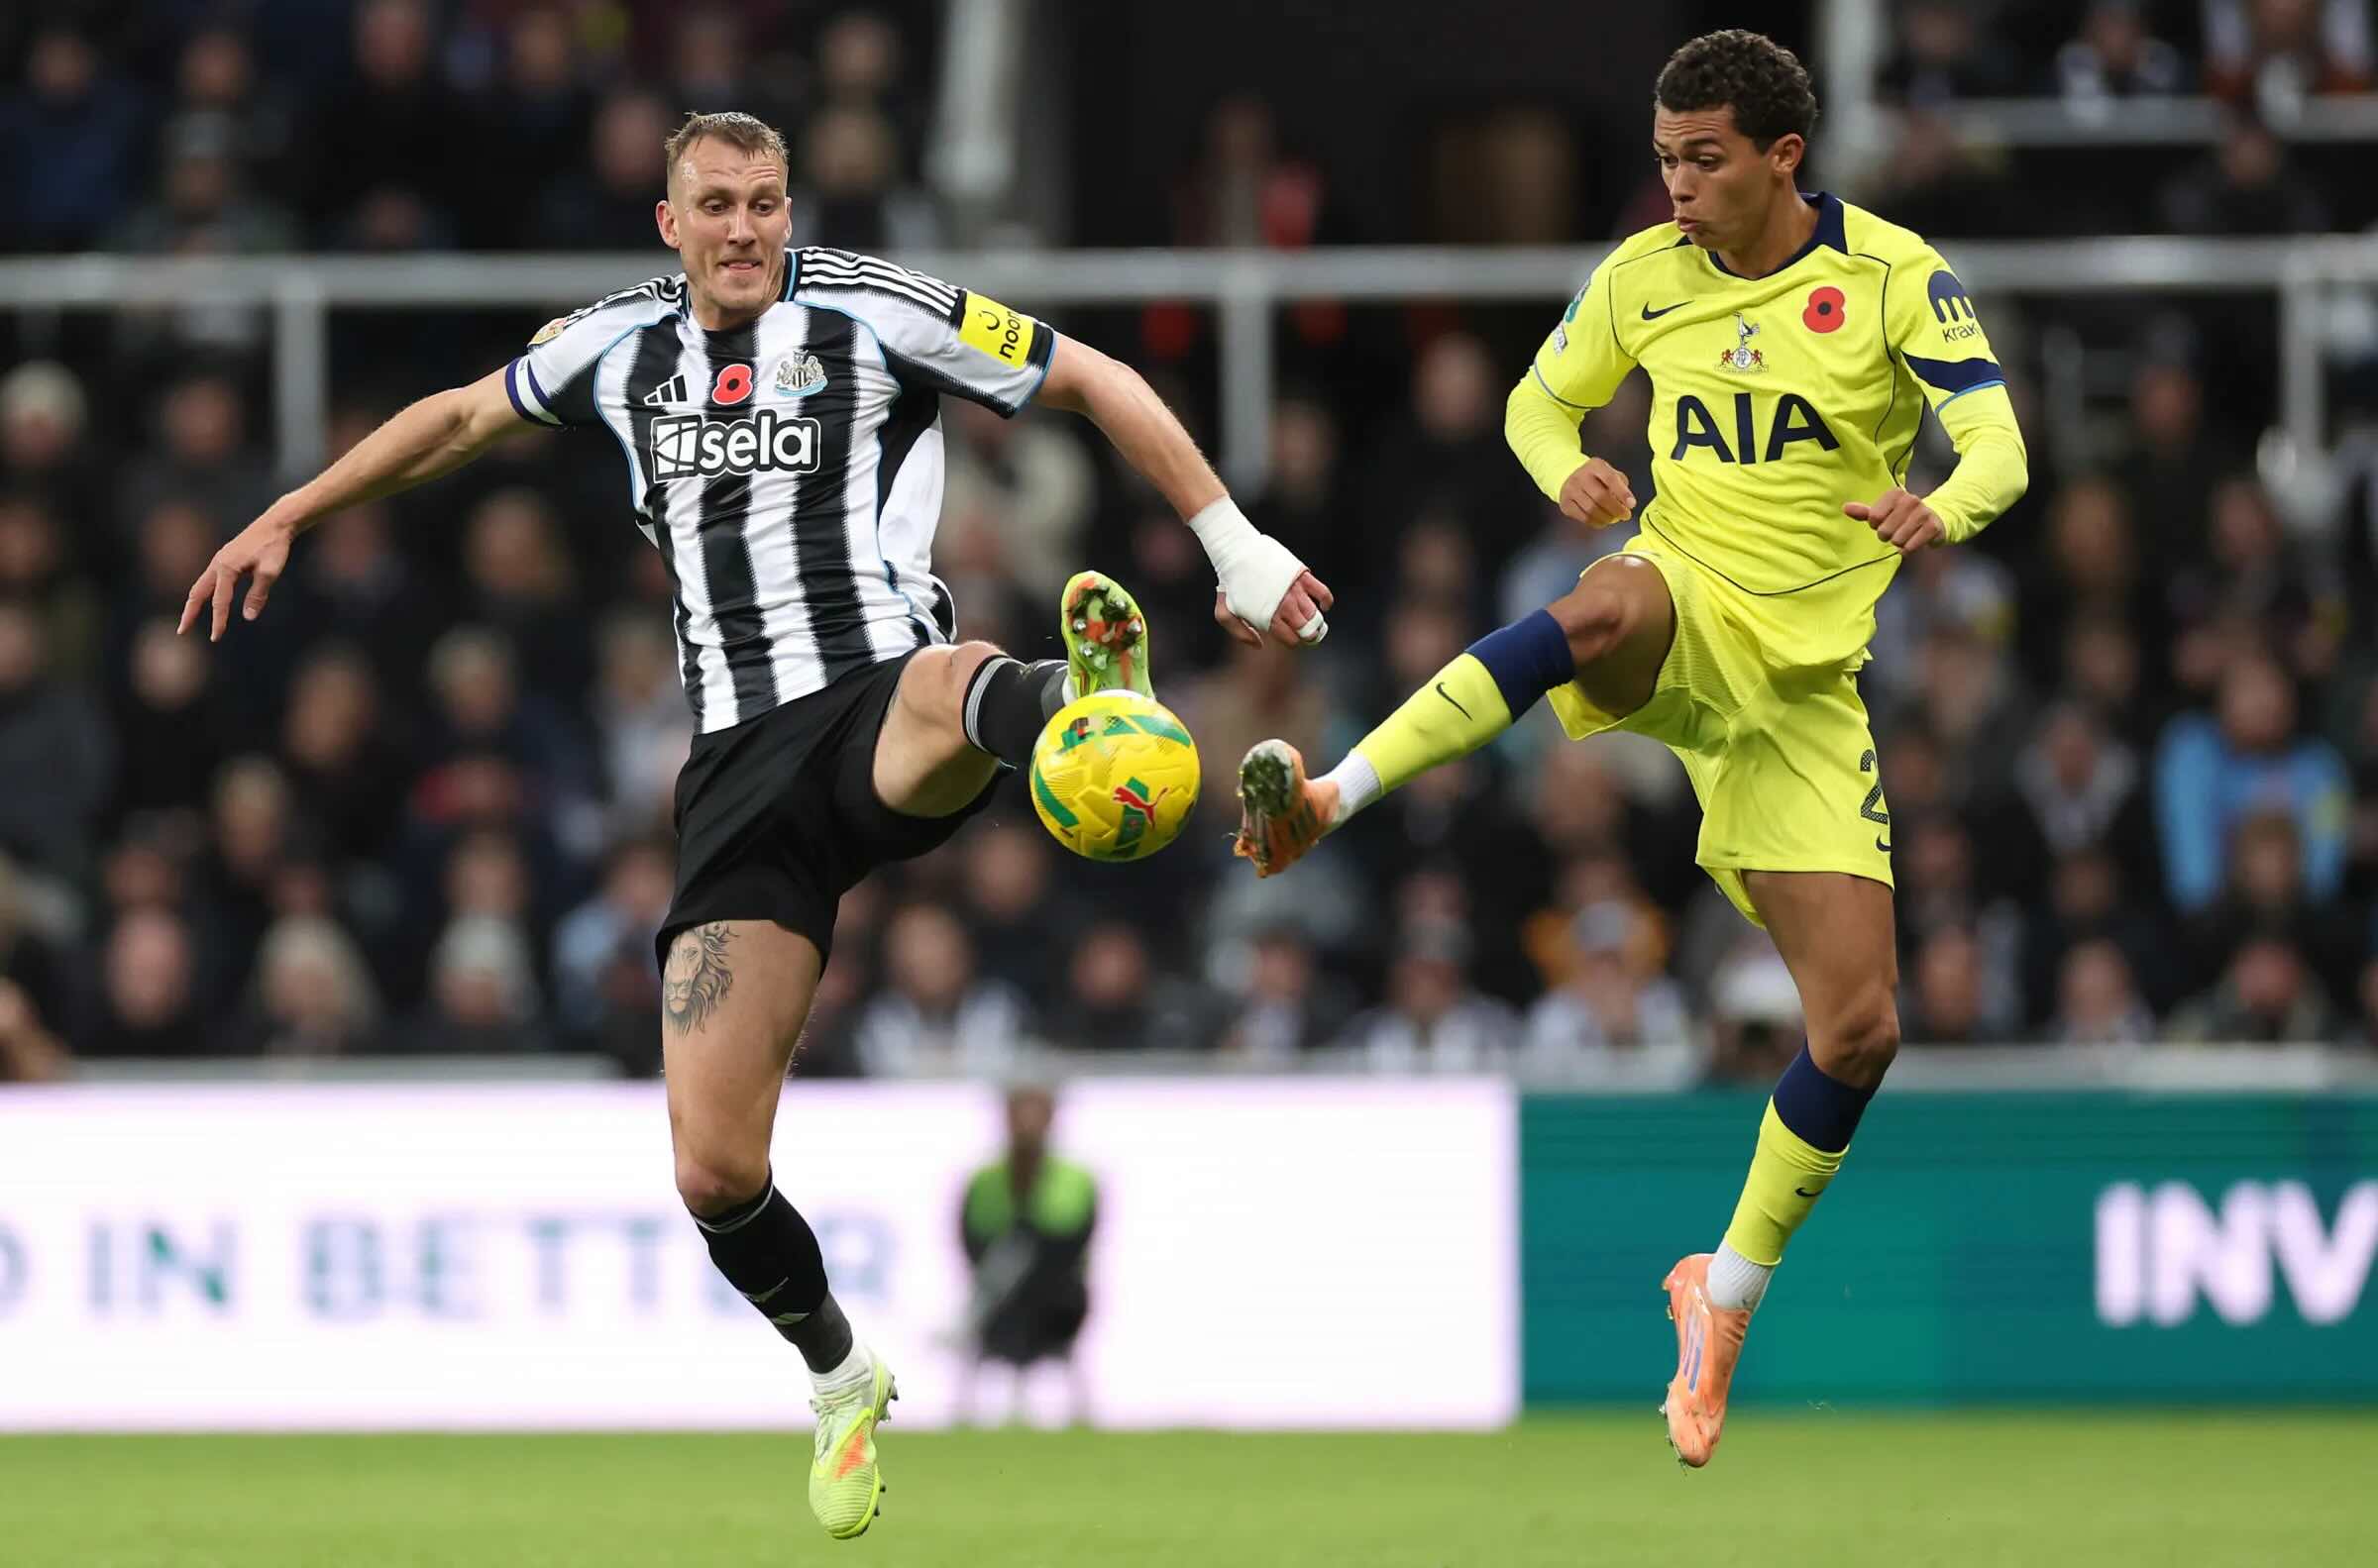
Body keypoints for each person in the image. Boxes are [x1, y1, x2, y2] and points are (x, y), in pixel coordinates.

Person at [178, 109, 1332, 1539]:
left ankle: (1071, 701)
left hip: (872, 694)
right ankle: (843, 1372)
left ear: (793, 209)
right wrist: (293, 505)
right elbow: (465, 415)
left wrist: (1237, 541)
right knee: (713, 1165)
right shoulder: (615, 345)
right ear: (670, 223)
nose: (743, 227)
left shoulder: (878, 308)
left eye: (766, 201)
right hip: (736, 773)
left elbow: (1090, 375)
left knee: (944, 688)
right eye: (715, 203)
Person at [1231, 31, 2026, 1468]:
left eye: (1704, 159)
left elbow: (2000, 446)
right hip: (1686, 597)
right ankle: (1334, 792)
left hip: (1800, 696)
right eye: (1664, 158)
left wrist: (1942, 509)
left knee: (1860, 1027)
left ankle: (1720, 1295)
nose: (1675, 187)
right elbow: (1542, 400)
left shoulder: (1897, 277)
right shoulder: (1640, 277)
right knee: (1597, 603)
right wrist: (1568, 468)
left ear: (1784, 158)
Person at [955, 1085, 1098, 1425]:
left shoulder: (1075, 1180)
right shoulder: (984, 1181)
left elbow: (1071, 1241)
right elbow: (969, 1239)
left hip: (1056, 1304)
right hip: (999, 1301)